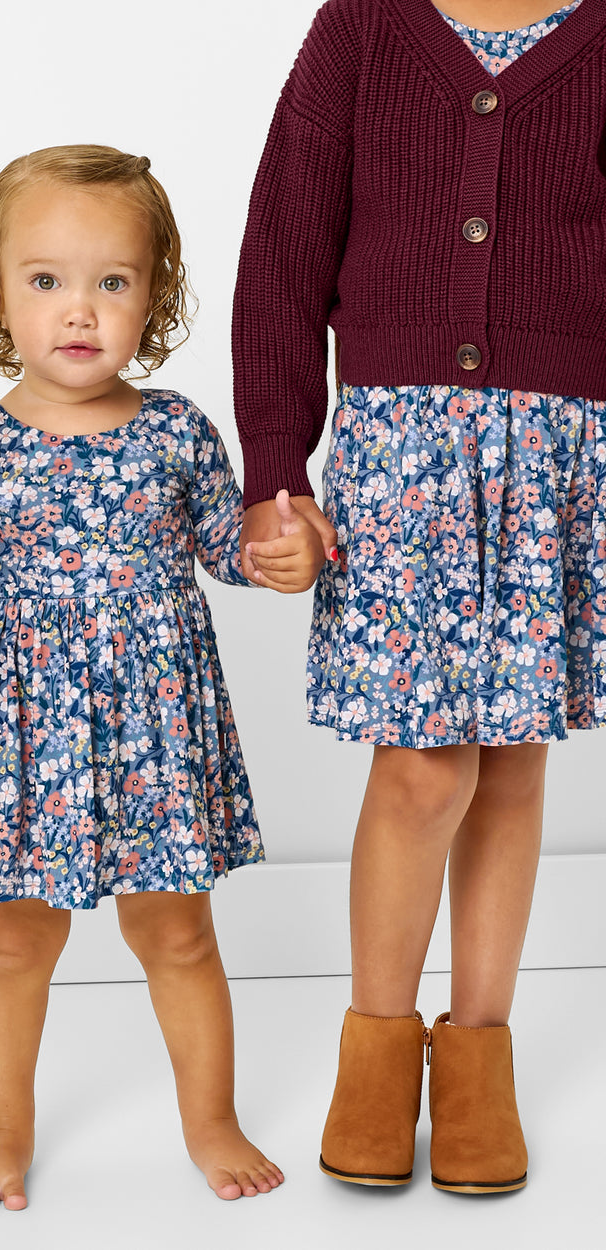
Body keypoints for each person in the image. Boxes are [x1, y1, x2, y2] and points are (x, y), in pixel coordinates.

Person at [232, 0, 603, 1195]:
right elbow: (285, 242)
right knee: (420, 764)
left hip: (562, 450)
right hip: (402, 455)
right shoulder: (365, 26)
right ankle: (378, 1047)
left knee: (510, 753)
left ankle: (480, 1050)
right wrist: (276, 470)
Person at [0, 144, 291, 1211]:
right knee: (13, 939)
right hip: (23, 738)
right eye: (46, 280)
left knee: (176, 929)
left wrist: (279, 549)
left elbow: (231, 545)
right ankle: (1, 1130)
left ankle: (210, 1120)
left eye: (111, 282)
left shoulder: (174, 430)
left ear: (152, 295)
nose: (80, 309)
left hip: (155, 727)